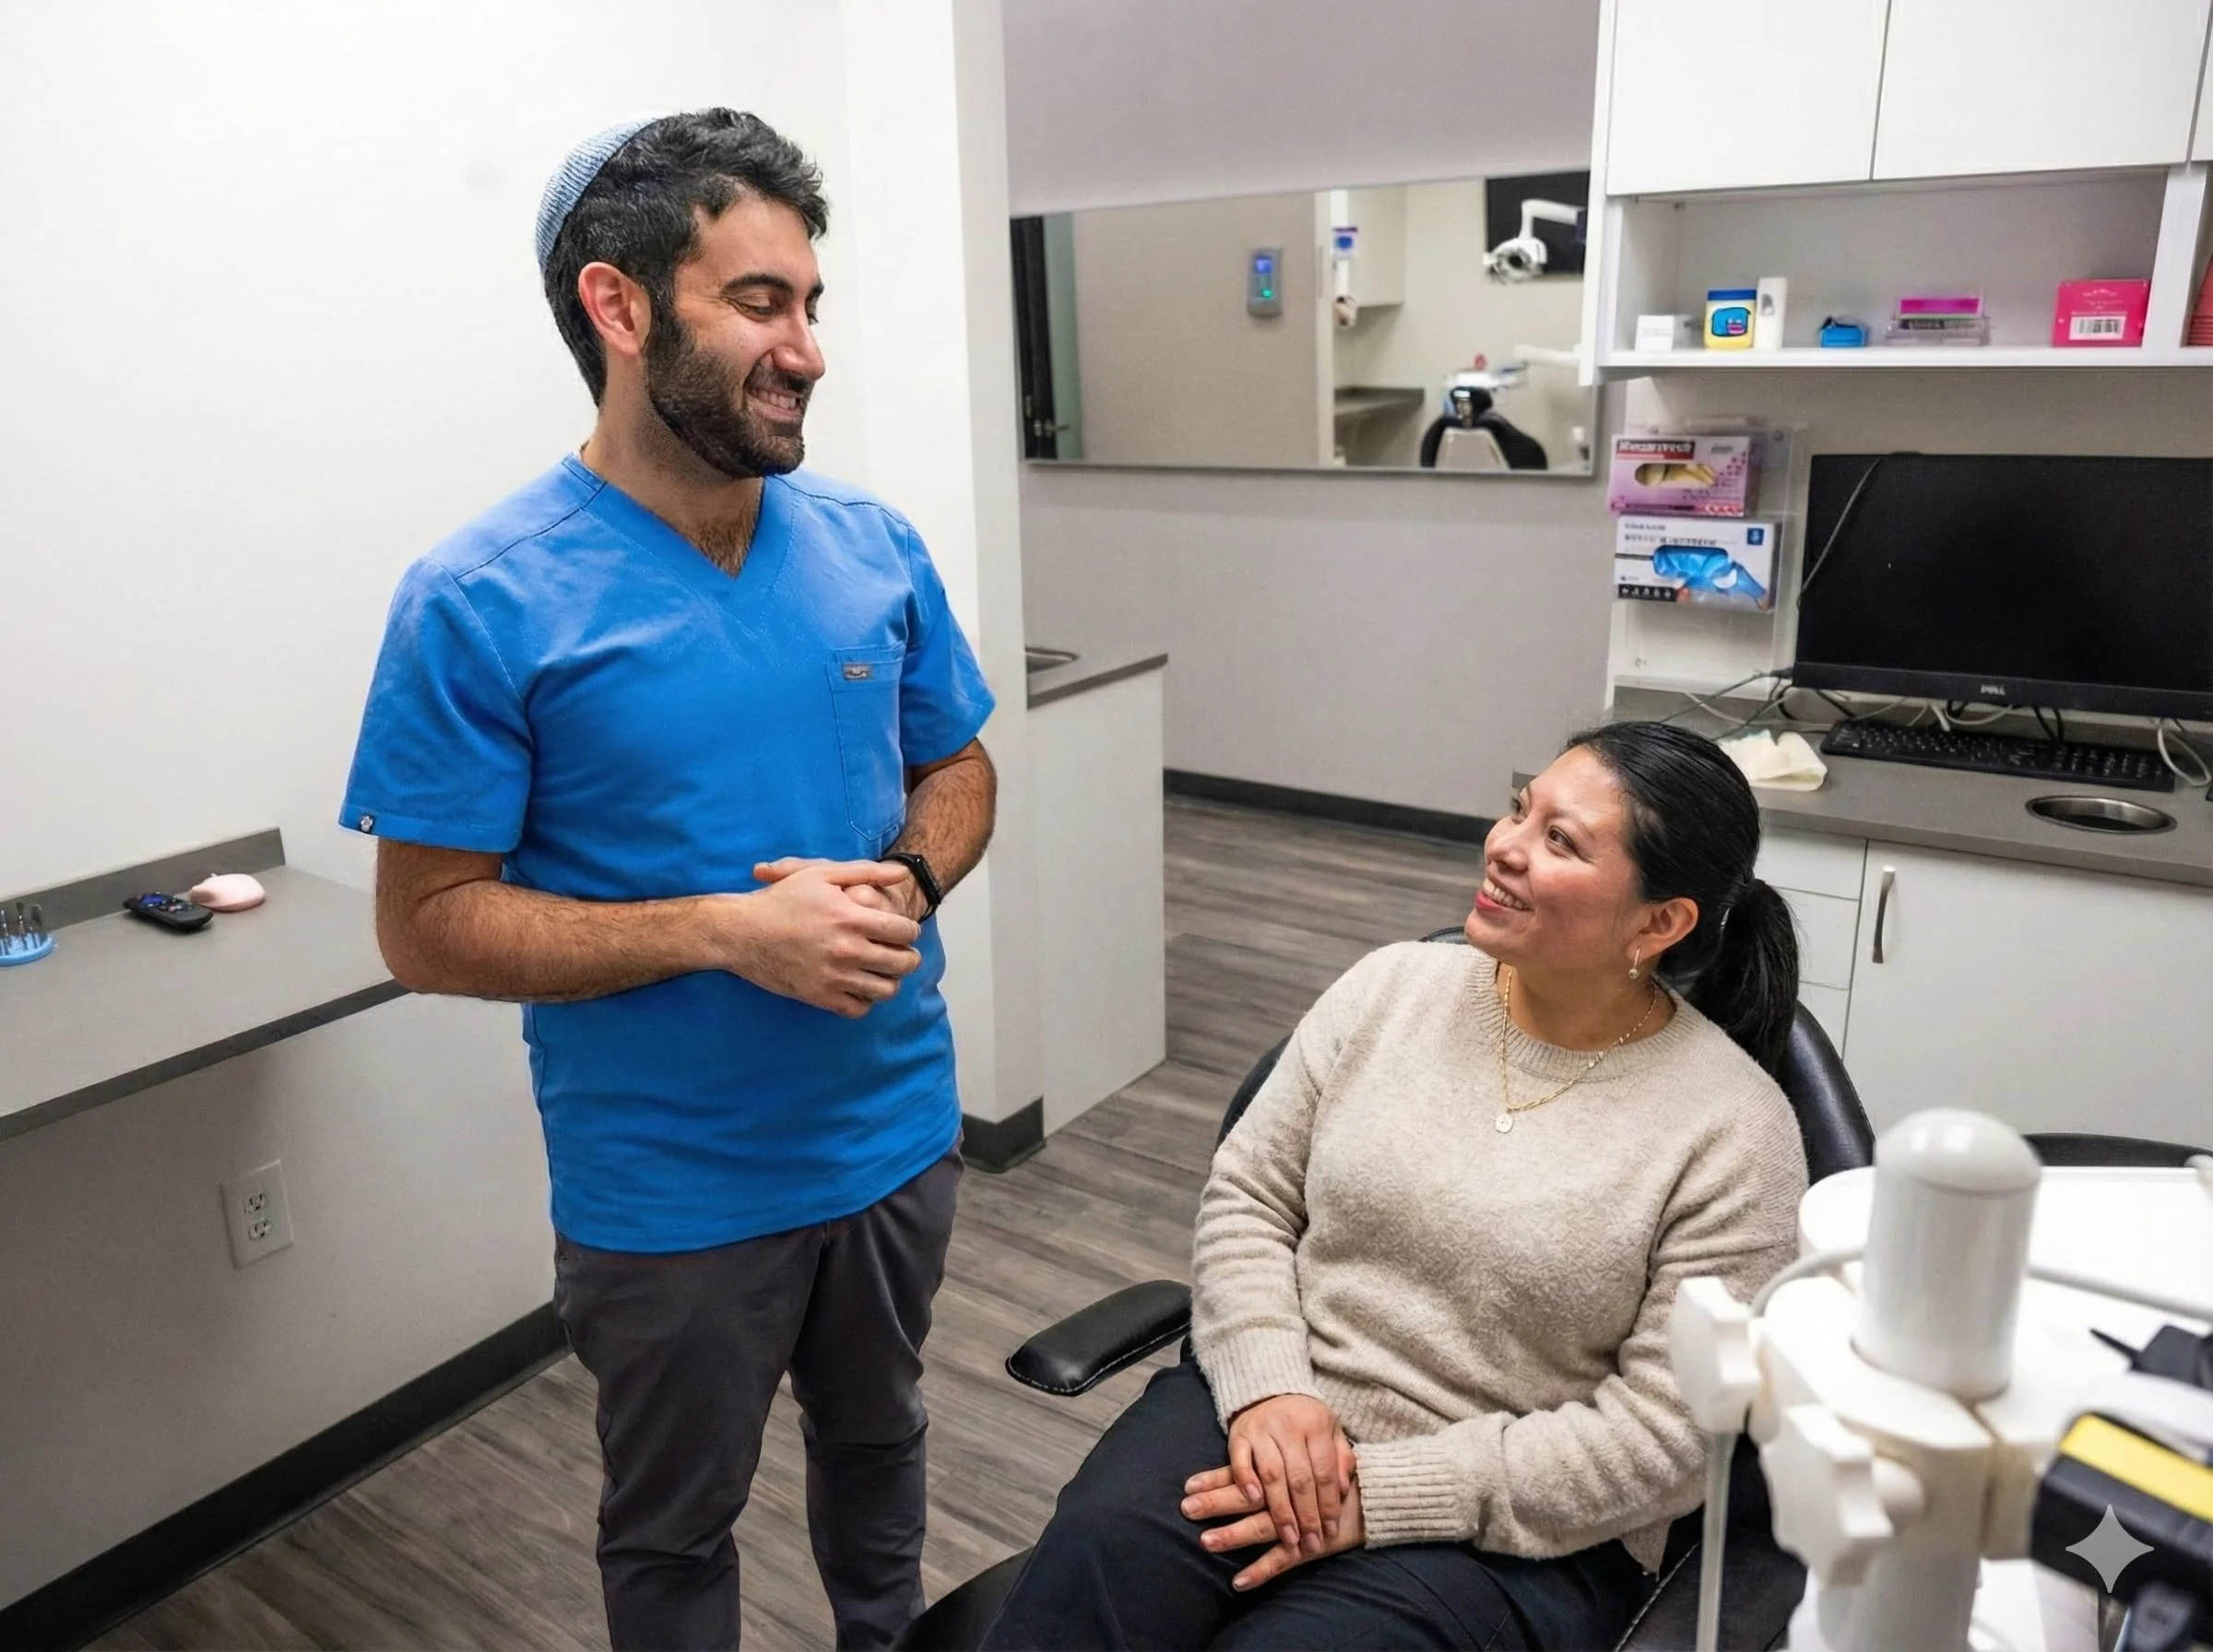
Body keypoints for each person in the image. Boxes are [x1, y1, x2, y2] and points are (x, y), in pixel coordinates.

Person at [340, 110, 997, 1652]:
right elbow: (423, 926)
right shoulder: (479, 599)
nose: (809, 347)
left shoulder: (872, 545)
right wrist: (725, 931)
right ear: (620, 307)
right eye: (761, 301)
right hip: (674, 1192)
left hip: (896, 1134)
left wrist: (906, 877)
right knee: (673, 1526)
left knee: (881, 1443)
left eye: (812, 305)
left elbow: (956, 767)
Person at [982, 721, 1808, 1650]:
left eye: (1561, 841)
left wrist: (1381, 1497)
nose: (1505, 846)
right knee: (1096, 1564)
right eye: (1518, 808)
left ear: (1660, 922)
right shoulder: (1392, 988)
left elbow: (1665, 1439)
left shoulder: (1736, 1130)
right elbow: (1250, 1196)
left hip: (1520, 1526)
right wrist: (1267, 1389)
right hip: (1270, 1411)